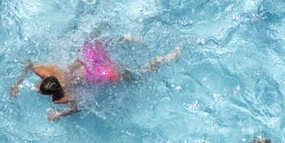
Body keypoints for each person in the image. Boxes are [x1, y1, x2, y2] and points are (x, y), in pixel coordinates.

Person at [11, 38, 179, 119]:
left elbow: (78, 106)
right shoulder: (49, 72)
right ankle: (125, 39)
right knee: (97, 43)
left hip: (98, 75)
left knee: (136, 77)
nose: (35, 88)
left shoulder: (60, 97)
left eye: (39, 89)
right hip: (88, 61)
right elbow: (29, 64)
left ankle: (161, 62)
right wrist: (17, 84)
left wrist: (59, 115)